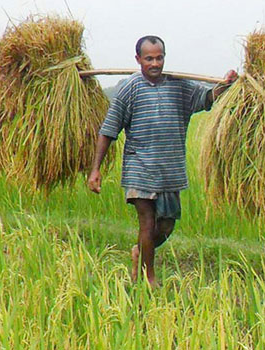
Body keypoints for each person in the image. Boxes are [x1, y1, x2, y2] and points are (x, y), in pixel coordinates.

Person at [87, 36, 238, 286]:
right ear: (138, 60)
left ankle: (140, 251)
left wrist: (226, 85)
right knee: (147, 223)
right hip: (141, 168)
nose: (155, 63)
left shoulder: (179, 86)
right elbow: (108, 130)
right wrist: (95, 170)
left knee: (166, 226)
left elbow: (207, 99)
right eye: (149, 58)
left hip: (170, 170)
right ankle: (149, 278)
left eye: (159, 57)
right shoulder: (129, 89)